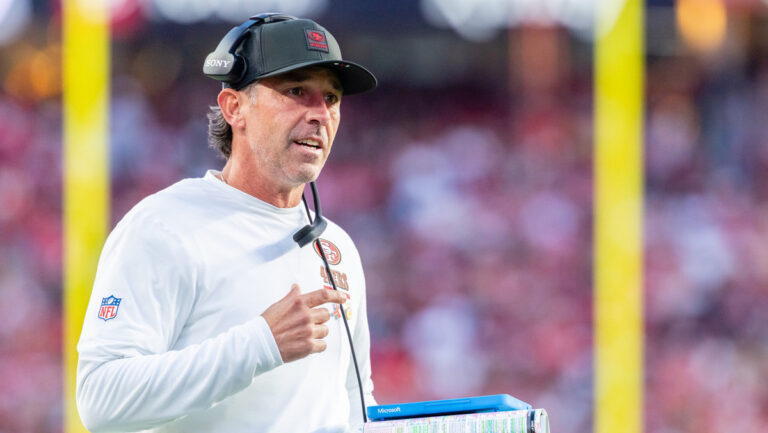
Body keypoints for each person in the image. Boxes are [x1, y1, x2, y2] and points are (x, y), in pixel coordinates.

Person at [76, 14, 377, 433]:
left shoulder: (336, 245)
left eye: (331, 97)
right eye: (296, 91)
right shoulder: (164, 226)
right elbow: (101, 399)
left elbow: (355, 401)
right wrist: (258, 344)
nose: (319, 114)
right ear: (234, 107)